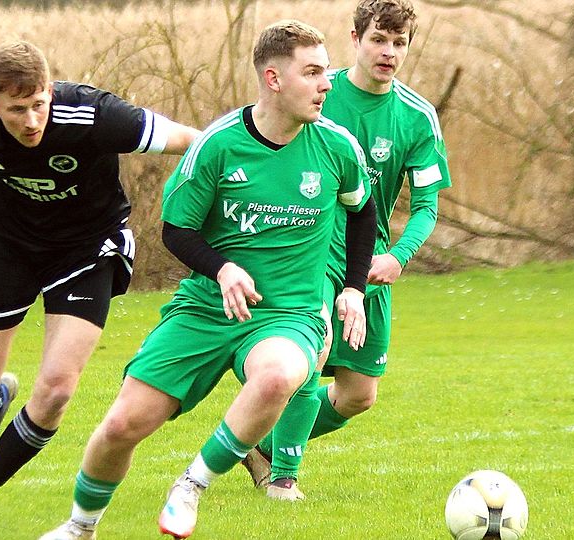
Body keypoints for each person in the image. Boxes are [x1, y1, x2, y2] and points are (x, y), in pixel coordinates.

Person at [39, 19, 376, 540]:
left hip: (290, 312)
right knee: (122, 426)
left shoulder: (337, 146)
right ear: (273, 79)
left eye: (325, 71)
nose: (326, 84)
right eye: (312, 72)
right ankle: (80, 527)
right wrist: (222, 268)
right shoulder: (218, 144)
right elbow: (177, 228)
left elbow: (362, 211)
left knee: (279, 375)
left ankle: (191, 485)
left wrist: (352, 287)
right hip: (205, 309)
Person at [0, 40, 200, 533]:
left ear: (50, 89)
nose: (31, 121)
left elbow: (193, 140)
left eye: (39, 104)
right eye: (16, 110)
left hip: (87, 252)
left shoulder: (96, 116)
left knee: (56, 390)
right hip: (9, 248)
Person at [241, 0, 453, 500]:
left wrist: (398, 256)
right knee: (310, 356)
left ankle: (259, 445)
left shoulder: (417, 117)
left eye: (399, 43)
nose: (388, 52)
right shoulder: (318, 94)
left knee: (359, 394)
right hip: (310, 253)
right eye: (378, 39)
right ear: (355, 39)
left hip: (370, 260)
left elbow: (426, 205)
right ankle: (284, 478)